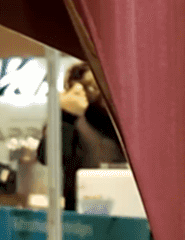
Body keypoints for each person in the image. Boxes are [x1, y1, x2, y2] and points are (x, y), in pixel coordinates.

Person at [37, 60, 126, 209]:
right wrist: (65, 115)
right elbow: (47, 157)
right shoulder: (70, 120)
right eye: (92, 87)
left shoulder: (117, 120)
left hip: (122, 203)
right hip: (81, 208)